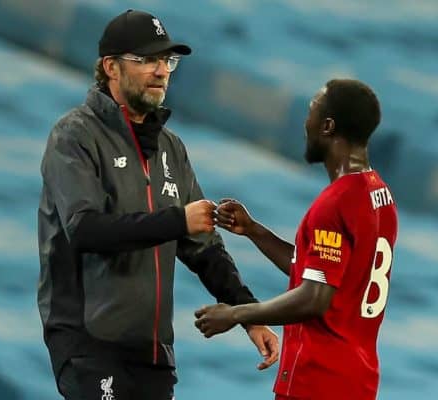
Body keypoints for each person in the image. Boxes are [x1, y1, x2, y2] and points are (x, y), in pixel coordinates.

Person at [37, 9, 278, 400]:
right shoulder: (74, 136)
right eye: (146, 60)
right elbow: (84, 229)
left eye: (167, 60)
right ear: (111, 68)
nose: (161, 70)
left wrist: (248, 315)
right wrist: (176, 221)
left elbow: (204, 250)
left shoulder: (171, 148)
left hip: (153, 353)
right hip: (89, 344)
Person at [195, 79, 398, 400]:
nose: (306, 123)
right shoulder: (379, 195)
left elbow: (314, 297)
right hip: (356, 380)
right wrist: (254, 231)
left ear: (328, 126)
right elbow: (324, 271)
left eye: (311, 112)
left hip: (317, 380)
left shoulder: (335, 204)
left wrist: (236, 314)